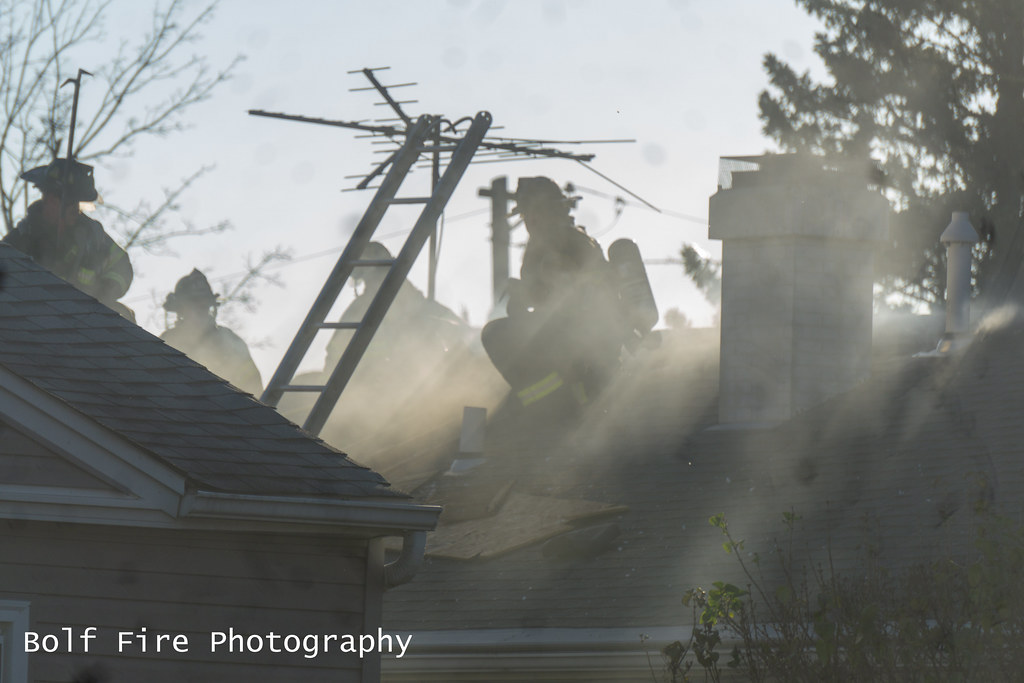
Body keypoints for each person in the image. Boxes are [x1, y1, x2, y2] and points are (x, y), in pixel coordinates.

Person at [481, 176, 626, 409]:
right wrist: (520, 298)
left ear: (554, 211)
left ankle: (556, 399)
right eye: (527, 215)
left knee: (496, 334)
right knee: (501, 333)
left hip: (589, 343)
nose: (531, 221)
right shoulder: (537, 250)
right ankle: (546, 395)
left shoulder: (572, 243)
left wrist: (524, 292)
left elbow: (574, 299)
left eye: (537, 212)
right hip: (567, 338)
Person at [3, 158, 133, 317]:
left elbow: (121, 266)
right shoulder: (19, 241)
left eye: (77, 203)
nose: (75, 209)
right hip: (37, 321)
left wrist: (104, 293)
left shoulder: (92, 236)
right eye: (70, 202)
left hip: (86, 321)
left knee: (123, 314)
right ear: (50, 199)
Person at [160, 269, 263, 395]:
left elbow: (254, 387)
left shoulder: (230, 342)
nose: (200, 310)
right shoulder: (168, 343)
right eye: (194, 304)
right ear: (181, 309)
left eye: (204, 305)